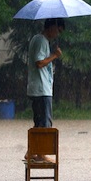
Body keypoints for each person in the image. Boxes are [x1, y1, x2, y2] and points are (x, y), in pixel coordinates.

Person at [25, 18, 64, 163]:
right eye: (58, 30)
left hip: (38, 88)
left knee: (38, 123)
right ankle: (41, 154)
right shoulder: (41, 40)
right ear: (52, 27)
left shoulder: (38, 39)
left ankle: (31, 152)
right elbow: (39, 63)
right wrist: (54, 55)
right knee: (45, 124)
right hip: (42, 89)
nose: (57, 34)